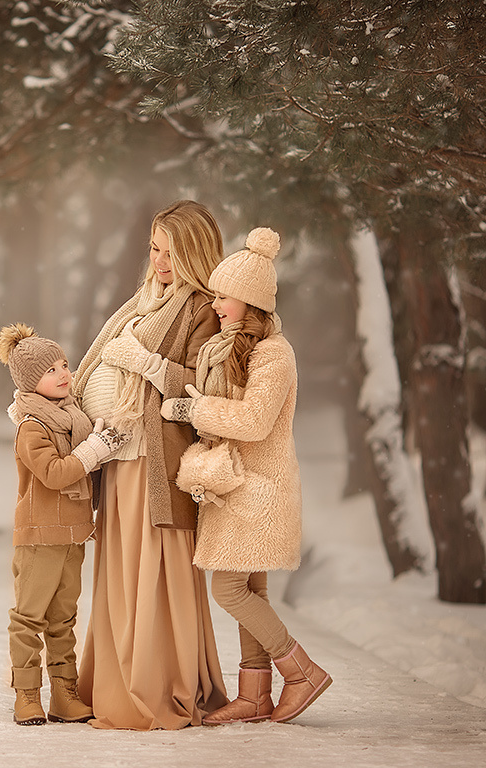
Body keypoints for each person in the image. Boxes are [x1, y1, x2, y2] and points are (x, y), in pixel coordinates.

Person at [160, 226, 332, 725]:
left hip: (259, 488)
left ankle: (299, 670)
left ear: (250, 300)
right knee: (251, 591)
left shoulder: (274, 353)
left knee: (228, 590)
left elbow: (255, 422)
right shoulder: (230, 345)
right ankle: (255, 695)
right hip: (236, 486)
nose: (215, 304)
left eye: (224, 296)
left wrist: (194, 413)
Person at [71, 199, 229, 730]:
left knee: (158, 570)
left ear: (193, 254)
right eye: (154, 249)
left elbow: (206, 385)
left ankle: (162, 683)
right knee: (119, 571)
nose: (159, 262)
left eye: (170, 253)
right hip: (118, 453)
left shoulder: (205, 307)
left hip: (159, 460)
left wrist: (147, 363)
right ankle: (113, 680)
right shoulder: (142, 301)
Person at [0, 322, 131, 726]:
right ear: (30, 381)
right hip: (40, 536)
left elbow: (85, 464)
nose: (64, 374)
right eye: (50, 370)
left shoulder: (73, 418)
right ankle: (26, 695)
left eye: (64, 364)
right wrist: (95, 450)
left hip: (73, 533)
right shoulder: (31, 427)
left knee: (63, 618)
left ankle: (64, 694)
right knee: (29, 618)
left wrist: (101, 446)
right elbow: (55, 473)